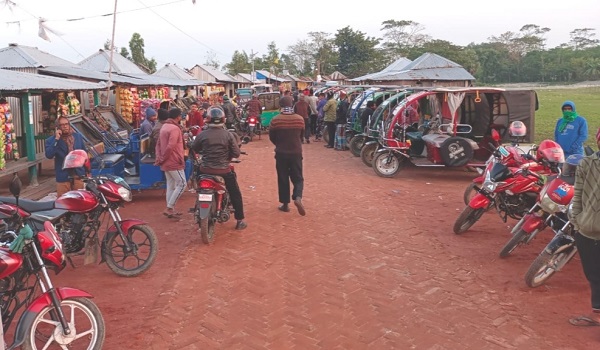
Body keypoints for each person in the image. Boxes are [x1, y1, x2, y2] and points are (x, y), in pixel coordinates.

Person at [191, 107, 247, 230]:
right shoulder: (228, 135)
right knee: (235, 193)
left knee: (198, 185)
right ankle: (240, 220)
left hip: (205, 170)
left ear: (208, 119)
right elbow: (236, 153)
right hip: (224, 171)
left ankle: (198, 207)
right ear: (223, 119)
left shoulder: (202, 134)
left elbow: (195, 148)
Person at [568, 139, 600, 327]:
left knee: (596, 277)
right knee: (594, 277)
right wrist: (577, 222)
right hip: (586, 229)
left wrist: (578, 222)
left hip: (585, 229)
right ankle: (597, 314)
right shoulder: (586, 164)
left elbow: (578, 196)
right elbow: (578, 195)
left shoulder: (585, 163)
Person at [269, 96, 306, 216]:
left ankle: (285, 205)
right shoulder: (300, 119)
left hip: (281, 153)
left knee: (283, 178)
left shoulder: (275, 120)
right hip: (296, 153)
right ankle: (298, 197)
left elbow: (272, 137)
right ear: (292, 105)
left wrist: (279, 144)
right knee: (298, 177)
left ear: (280, 105)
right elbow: (302, 136)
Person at [155, 108, 186, 218]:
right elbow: (171, 146)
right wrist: (163, 158)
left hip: (166, 162)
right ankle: (169, 207)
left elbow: (158, 144)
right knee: (182, 184)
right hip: (174, 161)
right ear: (178, 117)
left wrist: (160, 158)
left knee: (171, 186)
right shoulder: (174, 128)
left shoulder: (164, 126)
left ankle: (171, 209)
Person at [45, 116, 86, 197]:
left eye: (67, 124)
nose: (65, 126)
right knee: (63, 203)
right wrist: (56, 139)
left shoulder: (77, 137)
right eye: (62, 125)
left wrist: (88, 172)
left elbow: (84, 154)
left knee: (80, 201)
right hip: (63, 176)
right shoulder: (51, 140)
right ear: (58, 127)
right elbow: (49, 155)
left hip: (78, 174)